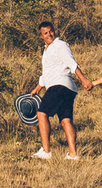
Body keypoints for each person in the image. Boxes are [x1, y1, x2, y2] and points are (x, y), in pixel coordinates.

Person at [30, 22, 82, 160]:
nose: (49, 35)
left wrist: (83, 79)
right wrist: (38, 88)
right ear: (41, 36)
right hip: (66, 88)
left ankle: (46, 151)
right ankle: (73, 154)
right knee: (65, 120)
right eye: (45, 33)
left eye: (51, 31)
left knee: (41, 114)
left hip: (59, 85)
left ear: (54, 31)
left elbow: (71, 63)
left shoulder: (60, 45)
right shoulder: (47, 50)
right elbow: (47, 72)